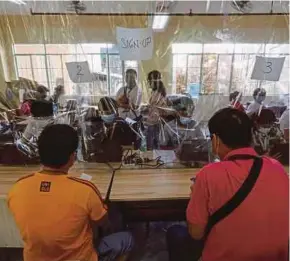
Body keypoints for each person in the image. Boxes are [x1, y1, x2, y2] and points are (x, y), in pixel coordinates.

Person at [166, 108, 288, 261]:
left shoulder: (208, 174)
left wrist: (196, 196)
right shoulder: (277, 168)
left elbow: (196, 233)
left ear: (215, 140)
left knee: (175, 232)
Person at [8, 124, 133, 261]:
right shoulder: (85, 190)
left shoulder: (18, 188)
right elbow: (103, 223)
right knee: (127, 238)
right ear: (73, 157)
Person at [146, 70, 168, 150]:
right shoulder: (155, 91)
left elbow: (158, 109)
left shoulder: (158, 93)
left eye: (149, 80)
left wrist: (147, 110)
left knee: (153, 146)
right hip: (153, 121)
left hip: (155, 122)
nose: (148, 83)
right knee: (154, 144)